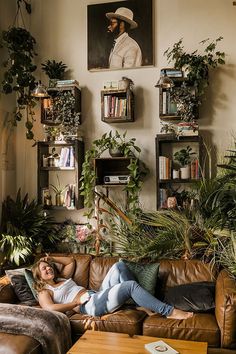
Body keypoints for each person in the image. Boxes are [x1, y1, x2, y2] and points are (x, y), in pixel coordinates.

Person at [32, 256, 193, 319]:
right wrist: (76, 303)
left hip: (96, 294)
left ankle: (140, 305)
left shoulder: (62, 278)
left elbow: (71, 262)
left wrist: (51, 257)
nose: (48, 269)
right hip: (88, 305)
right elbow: (50, 308)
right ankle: (169, 312)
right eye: (44, 269)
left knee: (119, 266)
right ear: (38, 276)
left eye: (48, 266)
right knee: (129, 286)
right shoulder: (44, 291)